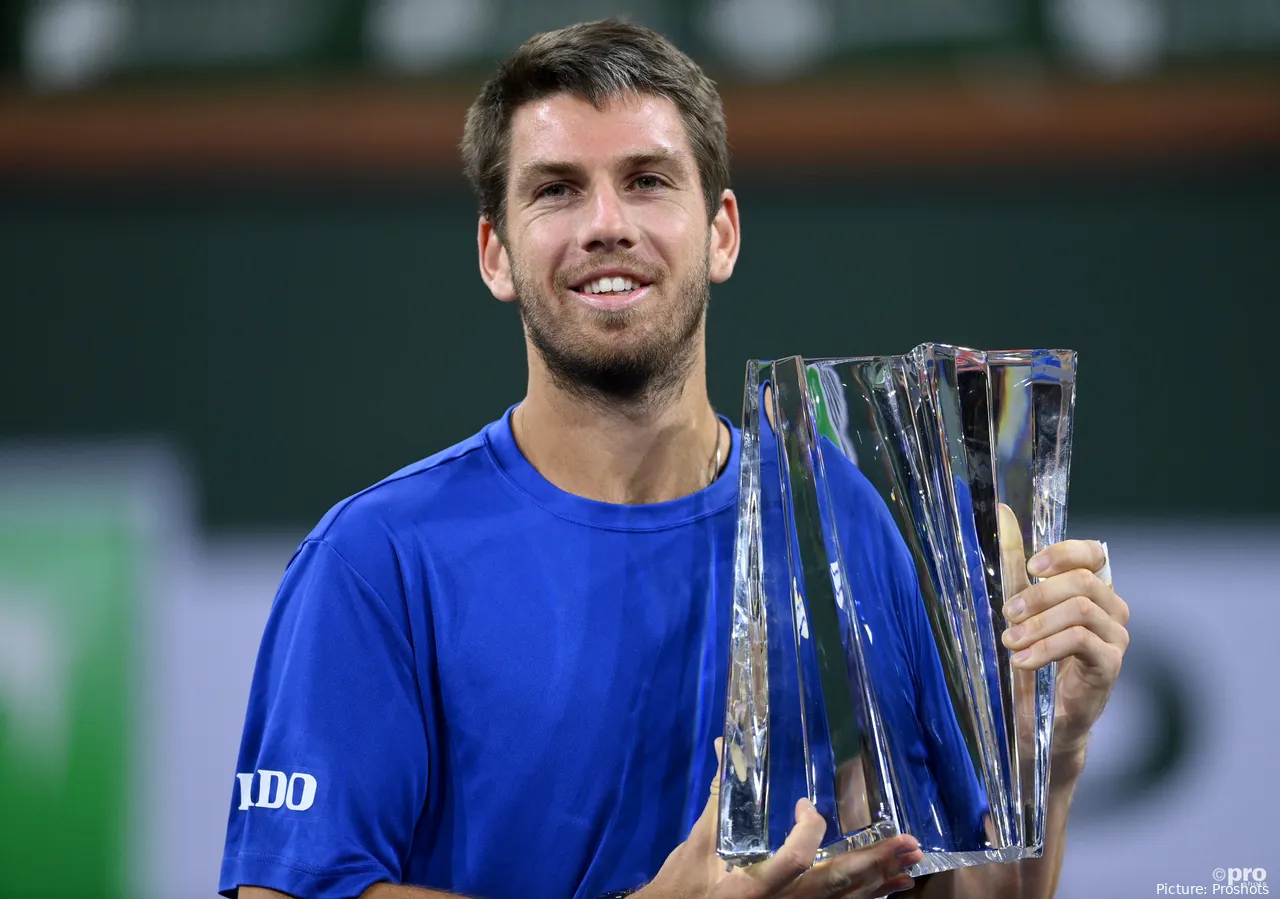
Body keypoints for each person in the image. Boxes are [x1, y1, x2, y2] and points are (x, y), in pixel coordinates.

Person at [219, 19, 1130, 899]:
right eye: (556, 190)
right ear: (496, 252)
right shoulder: (376, 560)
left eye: (648, 180)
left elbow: (953, 889)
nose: (606, 223)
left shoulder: (841, 516)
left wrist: (1041, 757)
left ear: (721, 232)